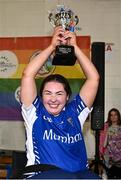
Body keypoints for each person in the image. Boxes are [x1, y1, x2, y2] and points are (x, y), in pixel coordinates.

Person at [20, 26, 100, 179]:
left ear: (67, 96)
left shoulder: (76, 112)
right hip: (42, 173)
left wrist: (75, 47)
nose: (53, 99)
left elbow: (94, 79)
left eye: (59, 94)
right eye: (48, 93)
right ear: (41, 96)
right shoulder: (34, 112)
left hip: (78, 174)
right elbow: (27, 75)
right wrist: (52, 47)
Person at [99, 108, 121, 179]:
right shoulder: (106, 127)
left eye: (115, 115)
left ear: (118, 116)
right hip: (109, 151)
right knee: (106, 155)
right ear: (109, 117)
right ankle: (105, 173)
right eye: (111, 115)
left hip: (119, 150)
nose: (113, 117)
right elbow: (104, 143)